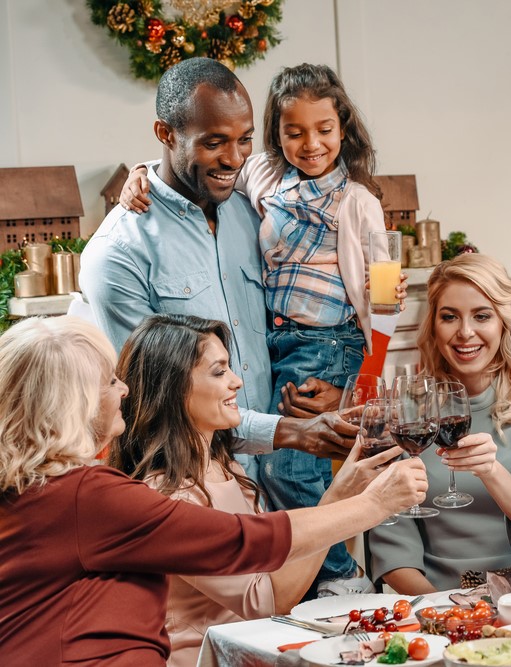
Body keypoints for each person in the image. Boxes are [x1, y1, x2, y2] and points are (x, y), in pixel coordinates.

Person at [82, 58, 377, 595]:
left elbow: (321, 298)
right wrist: (287, 433)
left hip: (290, 485)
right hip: (200, 498)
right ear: (165, 134)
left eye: (244, 140)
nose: (235, 158)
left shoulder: (250, 204)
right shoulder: (119, 252)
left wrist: (338, 386)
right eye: (215, 142)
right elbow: (156, 399)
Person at [0, 316, 427, 667]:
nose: (125, 390)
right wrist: (373, 503)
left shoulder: (41, 489)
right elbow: (244, 545)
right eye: (110, 383)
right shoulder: (89, 495)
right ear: (74, 404)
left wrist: (344, 495)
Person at [108, 314, 405, 667]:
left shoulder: (223, 465)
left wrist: (344, 490)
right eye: (219, 372)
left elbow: (271, 567)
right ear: (173, 389)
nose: (236, 382)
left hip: (253, 650)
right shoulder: (166, 495)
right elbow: (265, 598)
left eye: (230, 368)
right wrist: (364, 504)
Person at [368, 254, 511, 593]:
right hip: (440, 595)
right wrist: (450, 613)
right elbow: (394, 552)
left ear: (503, 322)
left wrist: (490, 469)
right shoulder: (405, 414)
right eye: (449, 317)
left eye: (482, 316)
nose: (465, 333)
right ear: (434, 326)